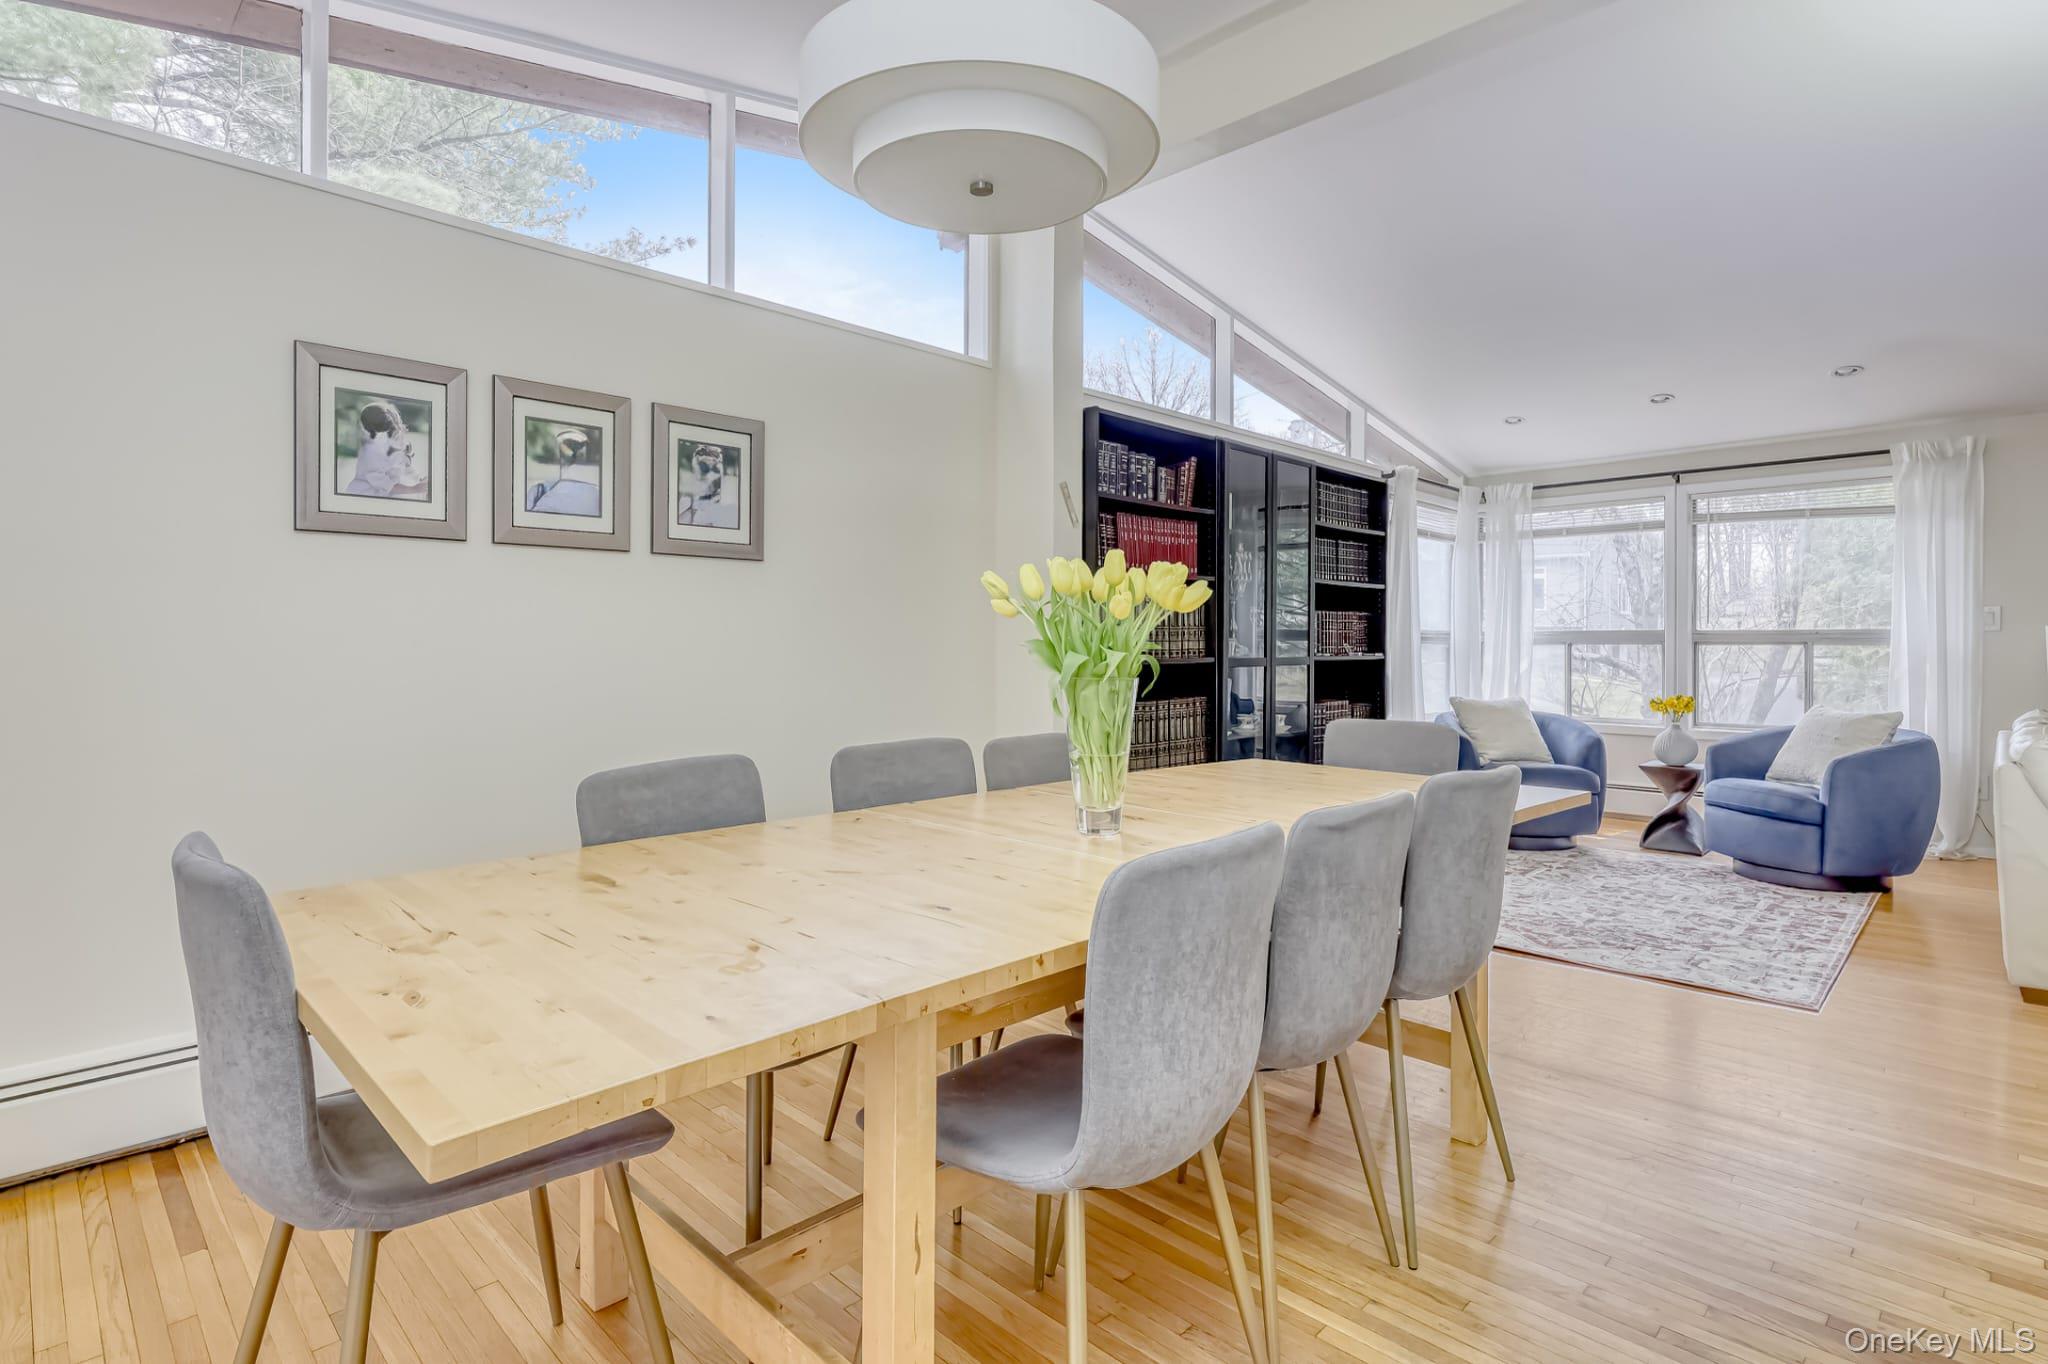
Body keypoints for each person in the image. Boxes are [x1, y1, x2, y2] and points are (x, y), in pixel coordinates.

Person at [344, 398, 428, 499]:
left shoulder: (399, 445)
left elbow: (406, 467)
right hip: (362, 497)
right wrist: (414, 489)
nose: (399, 433)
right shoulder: (371, 454)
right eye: (393, 430)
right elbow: (385, 486)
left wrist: (419, 479)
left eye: (399, 427)